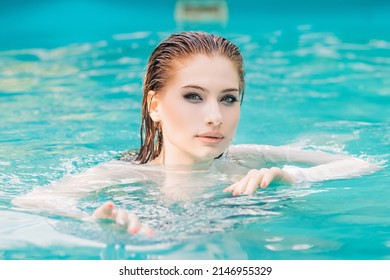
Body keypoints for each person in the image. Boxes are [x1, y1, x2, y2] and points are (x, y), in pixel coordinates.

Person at [12, 31, 380, 236]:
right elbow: (31, 202)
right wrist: (92, 222)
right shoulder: (121, 176)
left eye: (229, 99)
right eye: (193, 96)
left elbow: (362, 163)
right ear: (155, 105)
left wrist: (295, 177)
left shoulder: (252, 158)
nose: (215, 117)